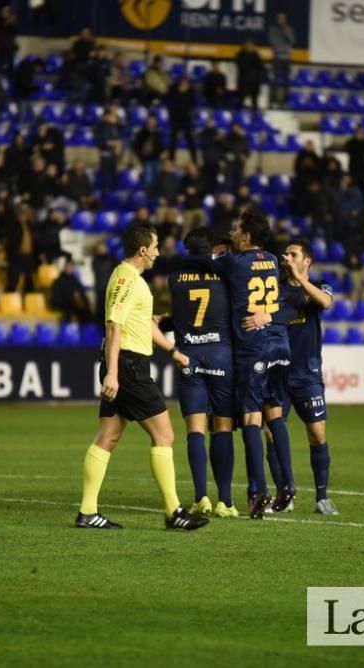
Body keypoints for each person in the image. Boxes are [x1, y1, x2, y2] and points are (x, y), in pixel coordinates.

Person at [76, 223, 209, 531]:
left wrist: (172, 351)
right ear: (143, 250)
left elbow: (145, 325)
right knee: (164, 434)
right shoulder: (126, 279)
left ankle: (87, 512)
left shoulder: (132, 279)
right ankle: (174, 511)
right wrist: (113, 373)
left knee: (107, 437)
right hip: (128, 367)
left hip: (126, 364)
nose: (159, 252)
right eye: (156, 246)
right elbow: (114, 326)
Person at [181, 209, 293, 518]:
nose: (231, 233)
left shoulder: (234, 262)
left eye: (235, 229)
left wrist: (181, 257)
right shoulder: (272, 259)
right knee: (276, 416)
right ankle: (288, 483)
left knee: (251, 422)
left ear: (246, 236)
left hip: (251, 349)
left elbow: (200, 261)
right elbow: (288, 300)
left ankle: (257, 492)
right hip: (279, 344)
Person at [244, 240, 339, 515]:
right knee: (272, 434)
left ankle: (322, 497)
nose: (286, 257)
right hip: (278, 372)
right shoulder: (275, 290)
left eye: (292, 254)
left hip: (307, 374)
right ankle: (285, 495)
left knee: (317, 433)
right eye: (284, 253)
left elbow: (326, 303)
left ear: (306, 261)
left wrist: (300, 280)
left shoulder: (319, 286)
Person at [169, 229, 237, 518]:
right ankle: (226, 500)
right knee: (222, 428)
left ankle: (201, 498)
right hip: (222, 355)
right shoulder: (225, 278)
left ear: (186, 249)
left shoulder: (174, 280)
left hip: (189, 357)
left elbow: (180, 317)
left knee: (195, 431)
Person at [267, 12, 294, 107]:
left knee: (287, 81)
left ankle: (284, 101)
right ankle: (273, 101)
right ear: (277, 19)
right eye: (279, 18)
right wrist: (281, 43)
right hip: (277, 57)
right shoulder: (273, 30)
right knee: (274, 80)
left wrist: (286, 33)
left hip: (287, 58)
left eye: (283, 19)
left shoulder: (288, 29)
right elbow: (272, 42)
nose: (281, 20)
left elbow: (292, 41)